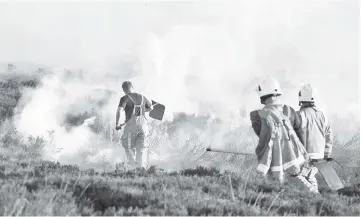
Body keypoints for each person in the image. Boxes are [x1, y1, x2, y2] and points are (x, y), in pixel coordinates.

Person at [249, 77, 318, 193]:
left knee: (304, 193)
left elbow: (263, 137)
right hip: (300, 160)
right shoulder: (289, 111)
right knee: (309, 187)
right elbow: (301, 133)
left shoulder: (258, 116)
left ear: (262, 95)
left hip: (283, 166)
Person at [296, 83, 333, 192]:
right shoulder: (322, 116)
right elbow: (329, 137)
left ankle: (314, 196)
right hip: (319, 157)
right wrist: (326, 155)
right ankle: (317, 202)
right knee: (310, 177)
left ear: (300, 98)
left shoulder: (299, 115)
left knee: (294, 176)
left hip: (305, 158)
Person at [115, 81, 153, 169]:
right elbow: (151, 108)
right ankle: (141, 169)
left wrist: (117, 124)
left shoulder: (124, 98)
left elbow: (119, 111)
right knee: (141, 150)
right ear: (132, 87)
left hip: (131, 128)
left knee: (129, 148)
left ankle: (132, 170)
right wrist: (143, 110)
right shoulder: (142, 97)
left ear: (124, 90)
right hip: (144, 127)